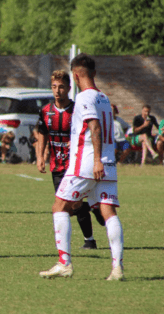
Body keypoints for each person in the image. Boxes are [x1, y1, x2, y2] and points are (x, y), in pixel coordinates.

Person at [39, 54, 124, 281]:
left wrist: (95, 159)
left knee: (59, 207)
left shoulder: (84, 98)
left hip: (86, 163)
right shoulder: (104, 98)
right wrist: (103, 160)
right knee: (108, 213)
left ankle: (64, 263)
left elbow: (94, 127)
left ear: (75, 76)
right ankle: (117, 268)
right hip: (108, 164)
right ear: (93, 73)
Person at [37, 70, 105, 251]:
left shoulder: (77, 109)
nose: (57, 91)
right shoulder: (45, 111)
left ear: (68, 88)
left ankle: (89, 240)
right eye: (54, 87)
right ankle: (94, 209)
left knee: (73, 202)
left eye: (61, 87)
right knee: (70, 204)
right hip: (56, 166)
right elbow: (42, 133)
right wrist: (40, 157)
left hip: (75, 163)